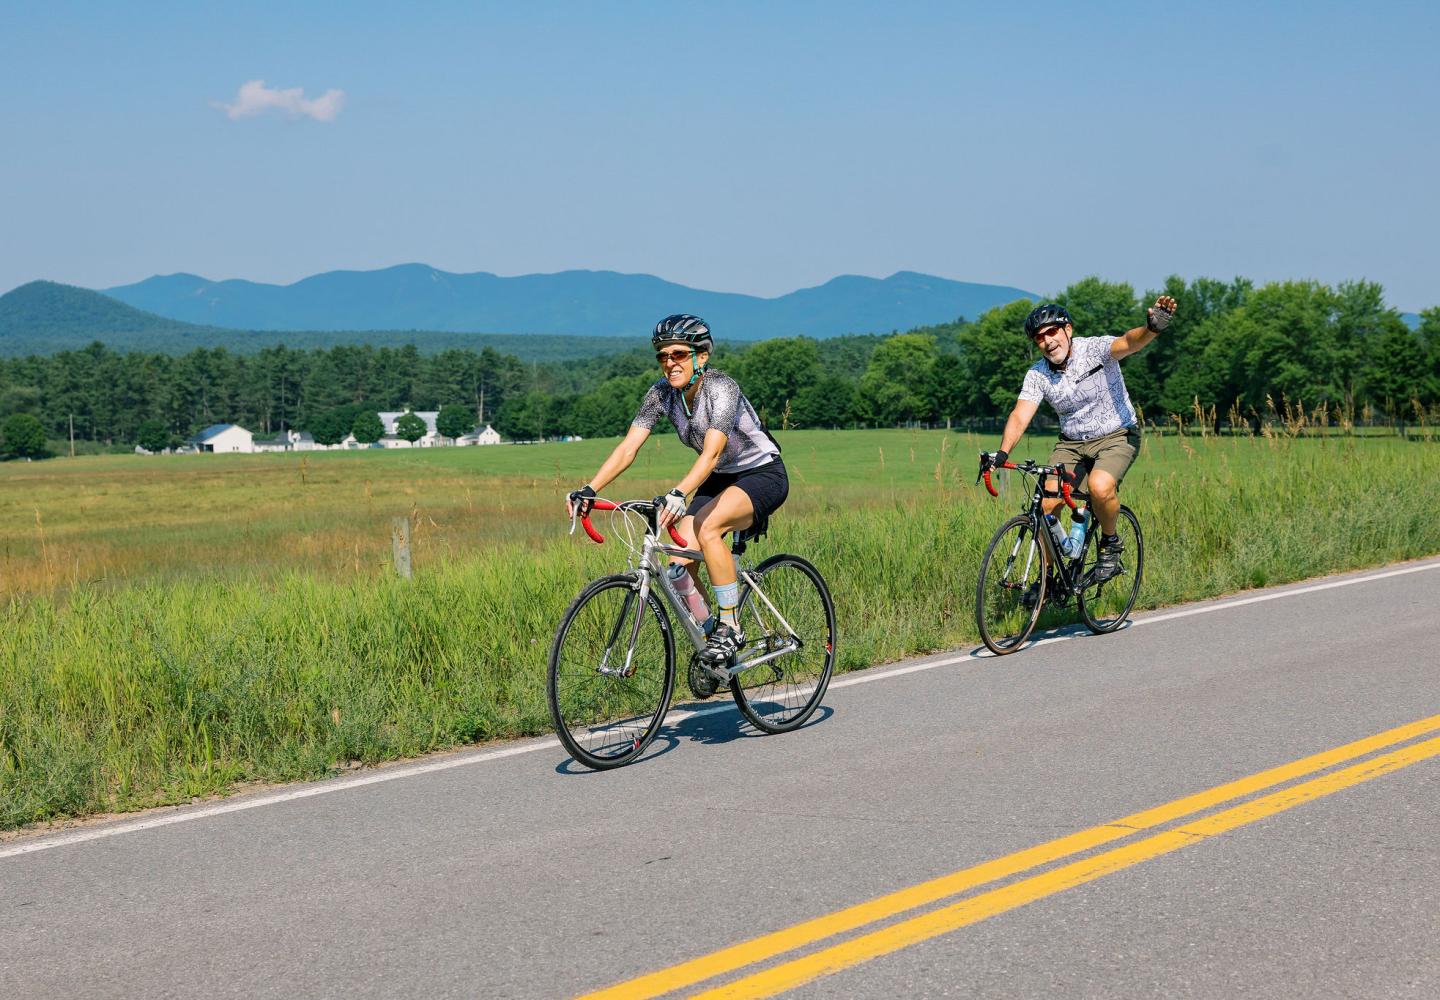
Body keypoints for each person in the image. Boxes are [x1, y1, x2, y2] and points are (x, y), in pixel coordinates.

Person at [565, 314, 788, 696]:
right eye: (662, 356)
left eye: (679, 354)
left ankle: (730, 627)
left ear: (701, 355)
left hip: (760, 472)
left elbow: (713, 452)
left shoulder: (721, 388)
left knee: (708, 528)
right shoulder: (660, 395)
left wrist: (679, 493)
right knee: (676, 567)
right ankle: (711, 646)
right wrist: (589, 487)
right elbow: (629, 447)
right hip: (717, 477)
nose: (670, 362)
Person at [986, 295, 1177, 582]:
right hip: (1072, 443)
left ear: (1068, 330)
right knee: (1047, 504)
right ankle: (1047, 580)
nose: (1048, 341)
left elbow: (1129, 342)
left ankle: (1111, 544)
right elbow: (1020, 415)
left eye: (1052, 332)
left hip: (1116, 434)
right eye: (1040, 338)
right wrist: (1001, 453)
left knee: (1100, 488)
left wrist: (1152, 328)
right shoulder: (1037, 375)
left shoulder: (1095, 349)